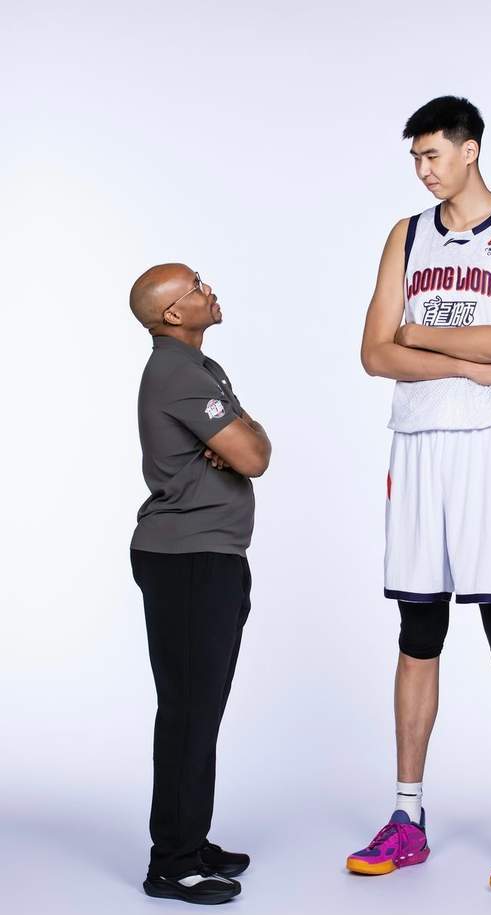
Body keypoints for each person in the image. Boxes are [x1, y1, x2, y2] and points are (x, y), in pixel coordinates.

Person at [346, 96, 491, 892]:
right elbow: (373, 352)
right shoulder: (405, 235)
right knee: (418, 630)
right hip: (418, 442)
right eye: (416, 159)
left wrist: (419, 333)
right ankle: (407, 817)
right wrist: (464, 361)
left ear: (470, 150)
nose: (423, 170)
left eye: (432, 155)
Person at [128, 263, 271, 905]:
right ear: (172, 314)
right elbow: (255, 456)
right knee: (189, 711)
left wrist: (240, 433)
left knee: (200, 709)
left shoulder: (198, 368)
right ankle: (173, 863)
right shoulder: (178, 373)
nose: (208, 289)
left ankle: (191, 837)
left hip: (208, 556)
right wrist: (239, 437)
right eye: (195, 287)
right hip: (187, 559)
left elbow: (249, 445)